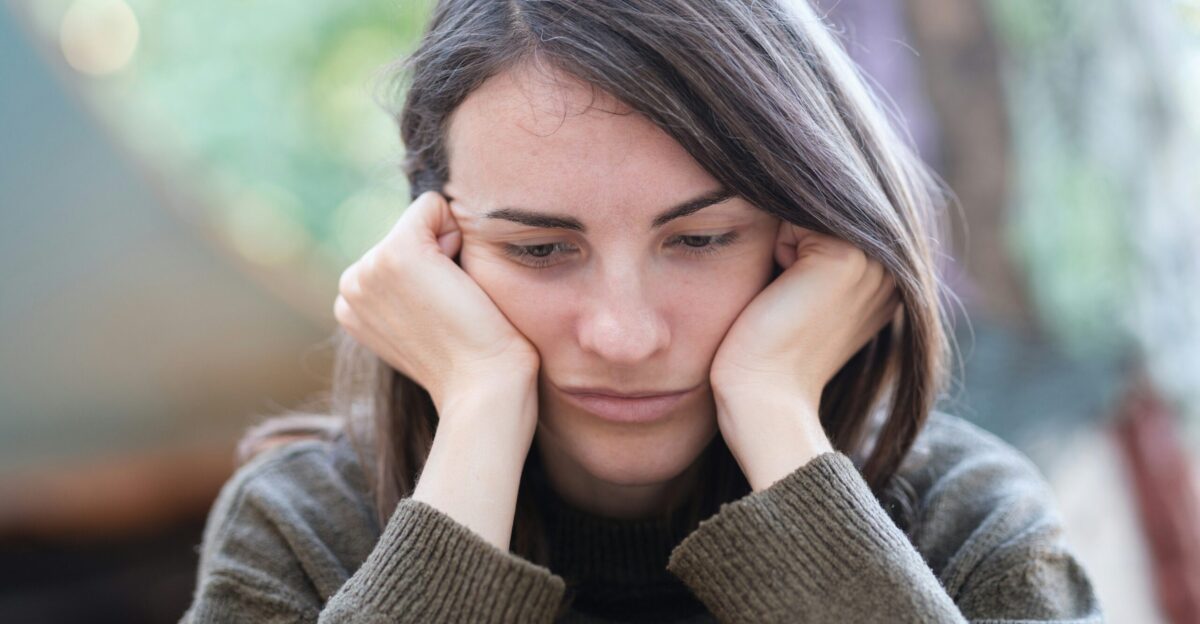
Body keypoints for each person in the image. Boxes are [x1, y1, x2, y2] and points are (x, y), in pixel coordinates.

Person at [181, 0, 1103, 622]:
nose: (622, 336)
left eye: (700, 241)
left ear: (812, 238)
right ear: (434, 249)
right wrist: (477, 420)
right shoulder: (303, 531)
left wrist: (775, 415)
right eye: (540, 250)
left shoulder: (967, 528)